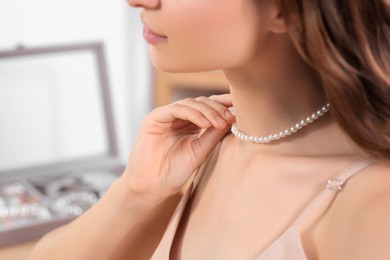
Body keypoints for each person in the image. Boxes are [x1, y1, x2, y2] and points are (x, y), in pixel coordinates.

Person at [30, 0, 390, 259]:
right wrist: (135, 194)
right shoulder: (184, 159)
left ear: (287, 10)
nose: (136, 1)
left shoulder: (373, 203)